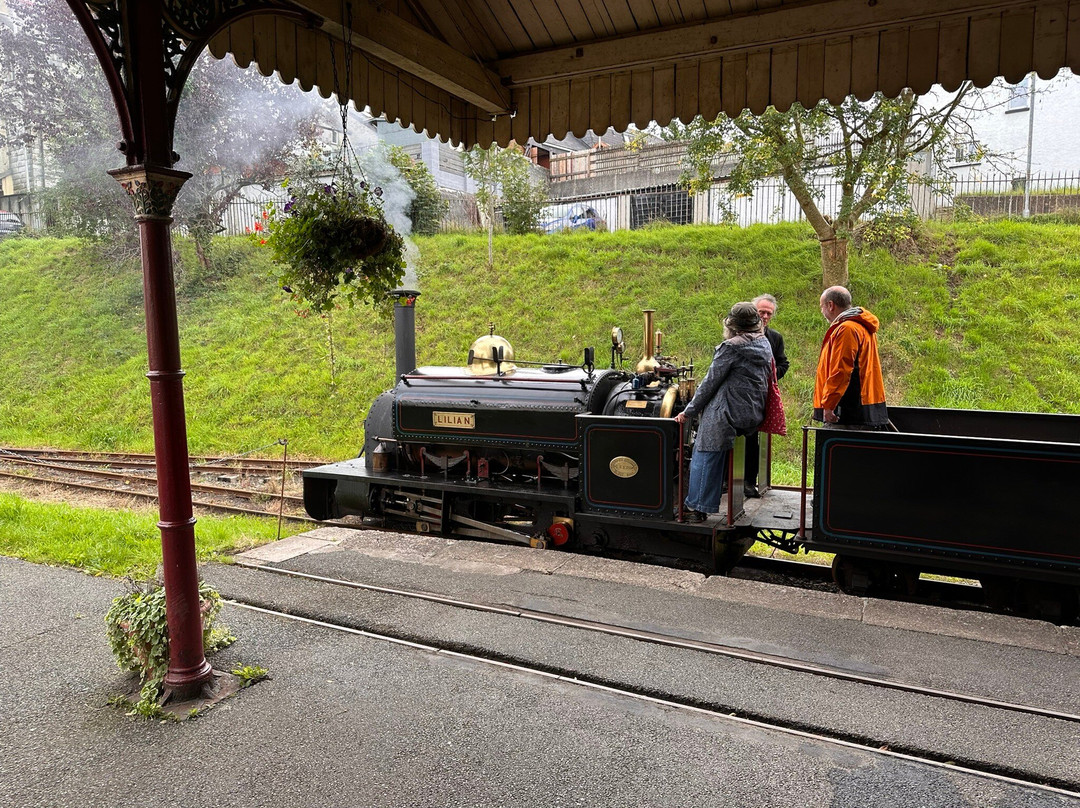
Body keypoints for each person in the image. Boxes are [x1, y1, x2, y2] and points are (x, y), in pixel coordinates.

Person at [675, 302, 773, 521]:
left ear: (733, 326)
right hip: (752, 412)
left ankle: (697, 506)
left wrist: (688, 412)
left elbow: (709, 383)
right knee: (712, 428)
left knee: (704, 443)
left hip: (730, 413)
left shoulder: (730, 347)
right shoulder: (763, 343)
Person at [813, 286, 888, 429]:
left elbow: (841, 370)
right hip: (861, 406)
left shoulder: (847, 329)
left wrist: (829, 405)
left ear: (830, 305)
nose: (822, 311)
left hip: (848, 411)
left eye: (821, 307)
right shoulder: (860, 327)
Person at [743, 294, 789, 497]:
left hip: (760, 397)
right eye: (761, 311)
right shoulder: (738, 335)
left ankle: (748, 481)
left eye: (768, 313)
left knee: (753, 440)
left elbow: (783, 363)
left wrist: (770, 375)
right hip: (739, 396)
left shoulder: (775, 338)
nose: (764, 316)